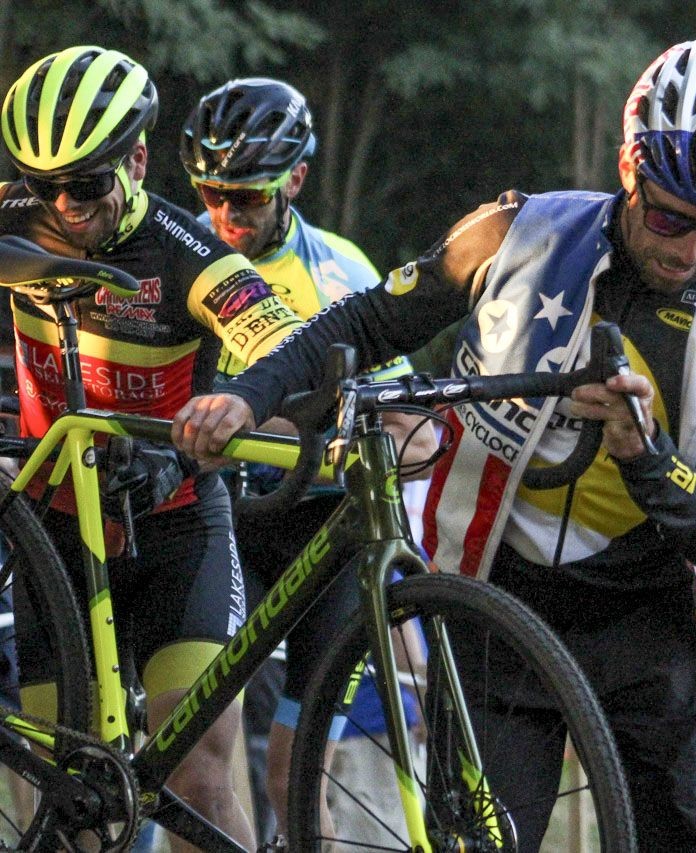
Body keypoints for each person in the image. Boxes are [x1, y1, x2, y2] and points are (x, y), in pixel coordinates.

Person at [172, 32, 696, 851]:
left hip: (656, 621)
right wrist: (249, 397)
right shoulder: (516, 233)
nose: (688, 249)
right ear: (629, 168)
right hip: (502, 601)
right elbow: (361, 319)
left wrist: (648, 459)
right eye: (672, 216)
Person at [0, 46, 310, 851]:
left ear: (136, 159)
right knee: (72, 804)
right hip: (56, 537)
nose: (64, 206)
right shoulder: (11, 219)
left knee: (199, 779)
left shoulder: (188, 251)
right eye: (44, 185)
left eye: (88, 183)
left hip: (175, 526)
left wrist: (245, 404)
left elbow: (283, 341)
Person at [179, 76, 435, 843]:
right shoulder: (182, 251)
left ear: (294, 179)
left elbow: (409, 434)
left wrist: (313, 444)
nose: (226, 216)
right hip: (218, 523)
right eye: (211, 193)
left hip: (318, 535)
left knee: (294, 776)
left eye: (247, 199)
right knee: (197, 766)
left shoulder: (339, 274)